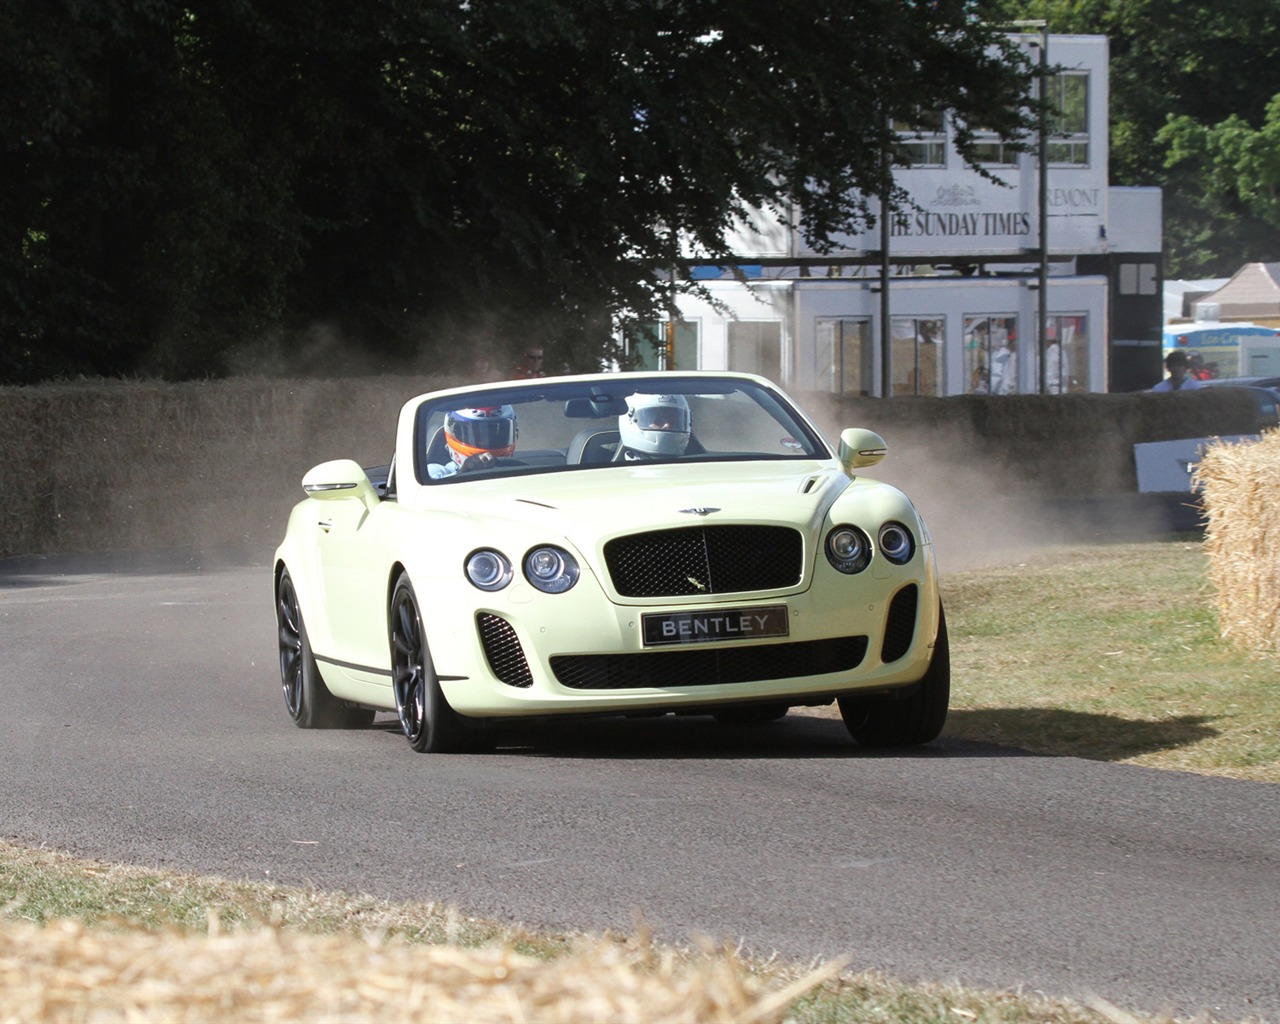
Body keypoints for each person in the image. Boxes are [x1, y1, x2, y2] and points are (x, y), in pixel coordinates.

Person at [427, 405, 518, 479]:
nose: (486, 444)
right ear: (452, 432)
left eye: (495, 434)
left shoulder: (521, 470)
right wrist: (463, 473)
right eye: (475, 434)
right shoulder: (435, 473)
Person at [617, 393, 691, 460]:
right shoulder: (613, 471)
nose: (667, 425)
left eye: (673, 421)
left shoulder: (694, 465)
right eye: (658, 420)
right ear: (630, 419)